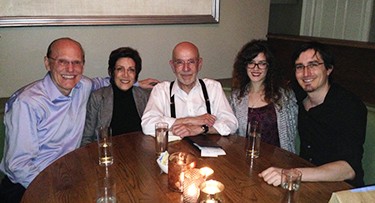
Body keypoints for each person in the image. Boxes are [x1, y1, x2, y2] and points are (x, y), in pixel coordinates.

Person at [0, 37, 157, 202]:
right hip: (28, 185)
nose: (70, 69)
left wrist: (136, 83)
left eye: (76, 62)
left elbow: (108, 82)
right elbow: (18, 165)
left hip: (71, 174)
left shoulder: (82, 86)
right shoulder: (27, 103)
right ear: (47, 63)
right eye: (62, 61)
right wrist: (52, 189)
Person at [259, 42, 367, 187]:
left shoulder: (349, 106)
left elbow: (349, 169)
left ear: (328, 69)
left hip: (341, 188)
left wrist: (291, 174)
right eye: (300, 67)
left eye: (313, 65)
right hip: (305, 181)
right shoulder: (296, 96)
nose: (306, 73)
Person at [141, 41, 238, 138]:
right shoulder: (161, 90)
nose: (186, 69)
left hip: (209, 151)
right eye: (179, 62)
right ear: (172, 66)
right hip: (174, 151)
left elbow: (231, 123)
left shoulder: (213, 88)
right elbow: (147, 125)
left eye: (191, 62)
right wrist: (190, 120)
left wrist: (201, 129)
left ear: (199, 64)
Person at [230, 40, 298, 153]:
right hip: (246, 158)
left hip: (278, 161)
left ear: (269, 67)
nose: (256, 68)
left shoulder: (285, 96)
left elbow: (291, 136)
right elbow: (233, 135)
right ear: (245, 65)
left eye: (262, 63)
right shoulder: (237, 97)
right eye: (251, 62)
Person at [81, 47, 150, 146]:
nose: (125, 75)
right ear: (112, 72)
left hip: (139, 155)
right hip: (107, 156)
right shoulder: (98, 97)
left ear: (136, 74)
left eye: (131, 70)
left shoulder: (145, 96)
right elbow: (87, 138)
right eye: (120, 69)